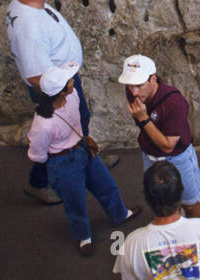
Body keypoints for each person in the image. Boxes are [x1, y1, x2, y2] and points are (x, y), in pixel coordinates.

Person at [6, 0, 117, 204]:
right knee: (60, 134)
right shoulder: (29, 28)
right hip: (55, 88)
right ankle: (38, 183)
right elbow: (36, 74)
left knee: (80, 120)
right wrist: (60, 97)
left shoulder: (25, 2)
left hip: (62, 79)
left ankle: (88, 157)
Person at [27, 62, 139, 254]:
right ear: (62, 91)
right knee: (75, 202)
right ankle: (83, 237)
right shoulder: (43, 124)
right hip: (62, 163)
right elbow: (37, 154)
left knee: (106, 184)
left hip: (84, 150)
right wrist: (58, 163)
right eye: (69, 80)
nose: (73, 80)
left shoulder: (73, 96)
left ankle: (119, 214)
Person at [118, 54, 200, 217]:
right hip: (150, 157)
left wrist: (144, 119)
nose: (134, 92)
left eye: (139, 85)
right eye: (130, 86)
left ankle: (195, 236)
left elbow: (168, 146)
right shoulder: (132, 91)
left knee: (191, 204)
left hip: (177, 157)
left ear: (153, 79)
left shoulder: (175, 103)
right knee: (160, 205)